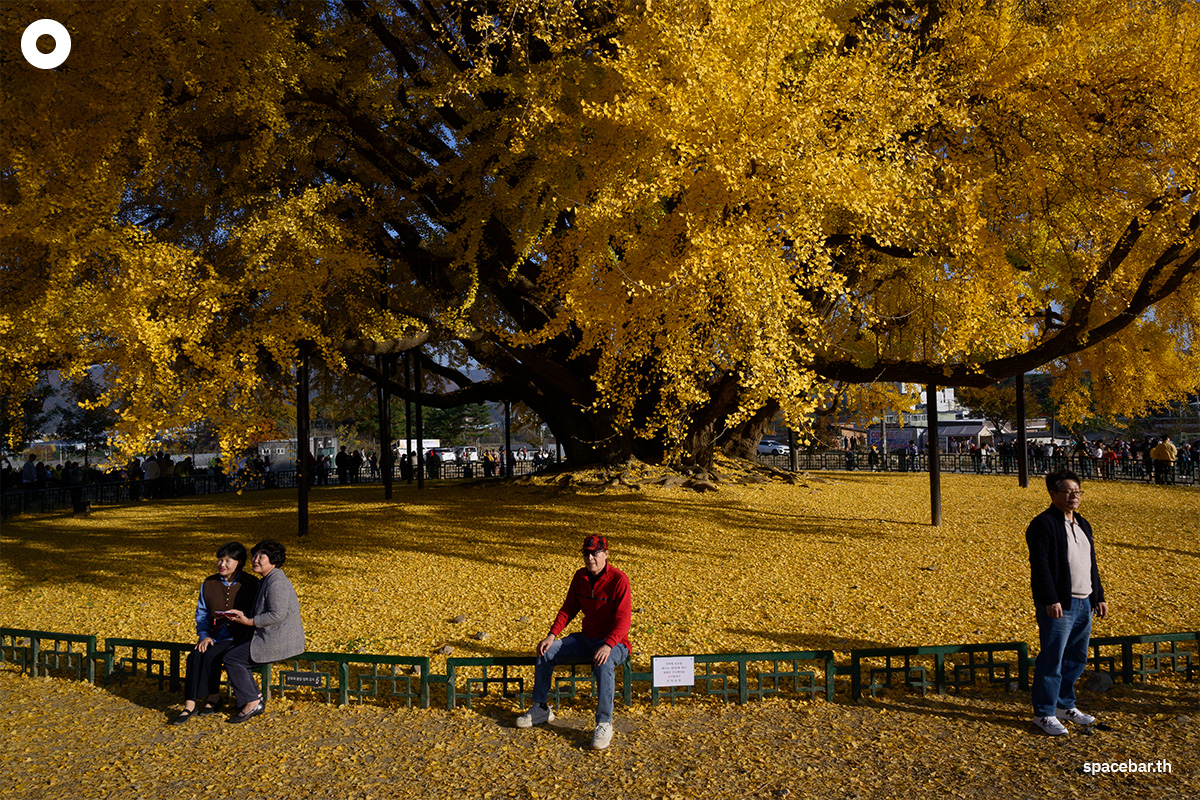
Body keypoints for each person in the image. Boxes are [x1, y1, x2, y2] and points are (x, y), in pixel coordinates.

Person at [516, 534, 632, 751]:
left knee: (604, 663)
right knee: (546, 652)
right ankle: (541, 707)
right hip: (586, 639)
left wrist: (608, 645)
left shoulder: (619, 580)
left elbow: (623, 621)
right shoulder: (580, 577)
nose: (590, 558)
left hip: (615, 643)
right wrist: (551, 635)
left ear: (606, 554)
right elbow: (568, 608)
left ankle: (604, 723)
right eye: (586, 554)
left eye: (595, 553)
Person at [1025, 469, 1109, 736]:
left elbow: (1091, 563)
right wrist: (1050, 598)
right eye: (1068, 492)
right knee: (1052, 658)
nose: (1074, 496)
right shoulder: (1043, 524)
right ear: (1052, 494)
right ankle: (1044, 713)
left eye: (1078, 491)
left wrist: (1099, 596)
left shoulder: (1083, 523)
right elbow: (1040, 566)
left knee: (1076, 657)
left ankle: (1065, 705)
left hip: (1085, 602)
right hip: (1060, 602)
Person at [170, 542, 259, 724]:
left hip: (238, 637)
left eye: (228, 560)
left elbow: (258, 612)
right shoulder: (209, 583)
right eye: (220, 559)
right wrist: (204, 635)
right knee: (196, 655)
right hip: (214, 635)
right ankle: (190, 704)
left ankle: (213, 698)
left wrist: (242, 618)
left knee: (211, 655)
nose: (222, 564)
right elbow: (201, 613)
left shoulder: (251, 583)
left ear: (239, 562)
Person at [221, 540, 305, 723]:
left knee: (232, 658)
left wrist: (250, 621)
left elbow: (277, 615)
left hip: (279, 640)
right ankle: (254, 697)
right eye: (255, 556)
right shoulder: (268, 579)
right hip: (268, 635)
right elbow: (265, 610)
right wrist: (242, 615)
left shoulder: (277, 582)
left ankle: (252, 700)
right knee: (230, 653)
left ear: (272, 560)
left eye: (261, 556)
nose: (255, 560)